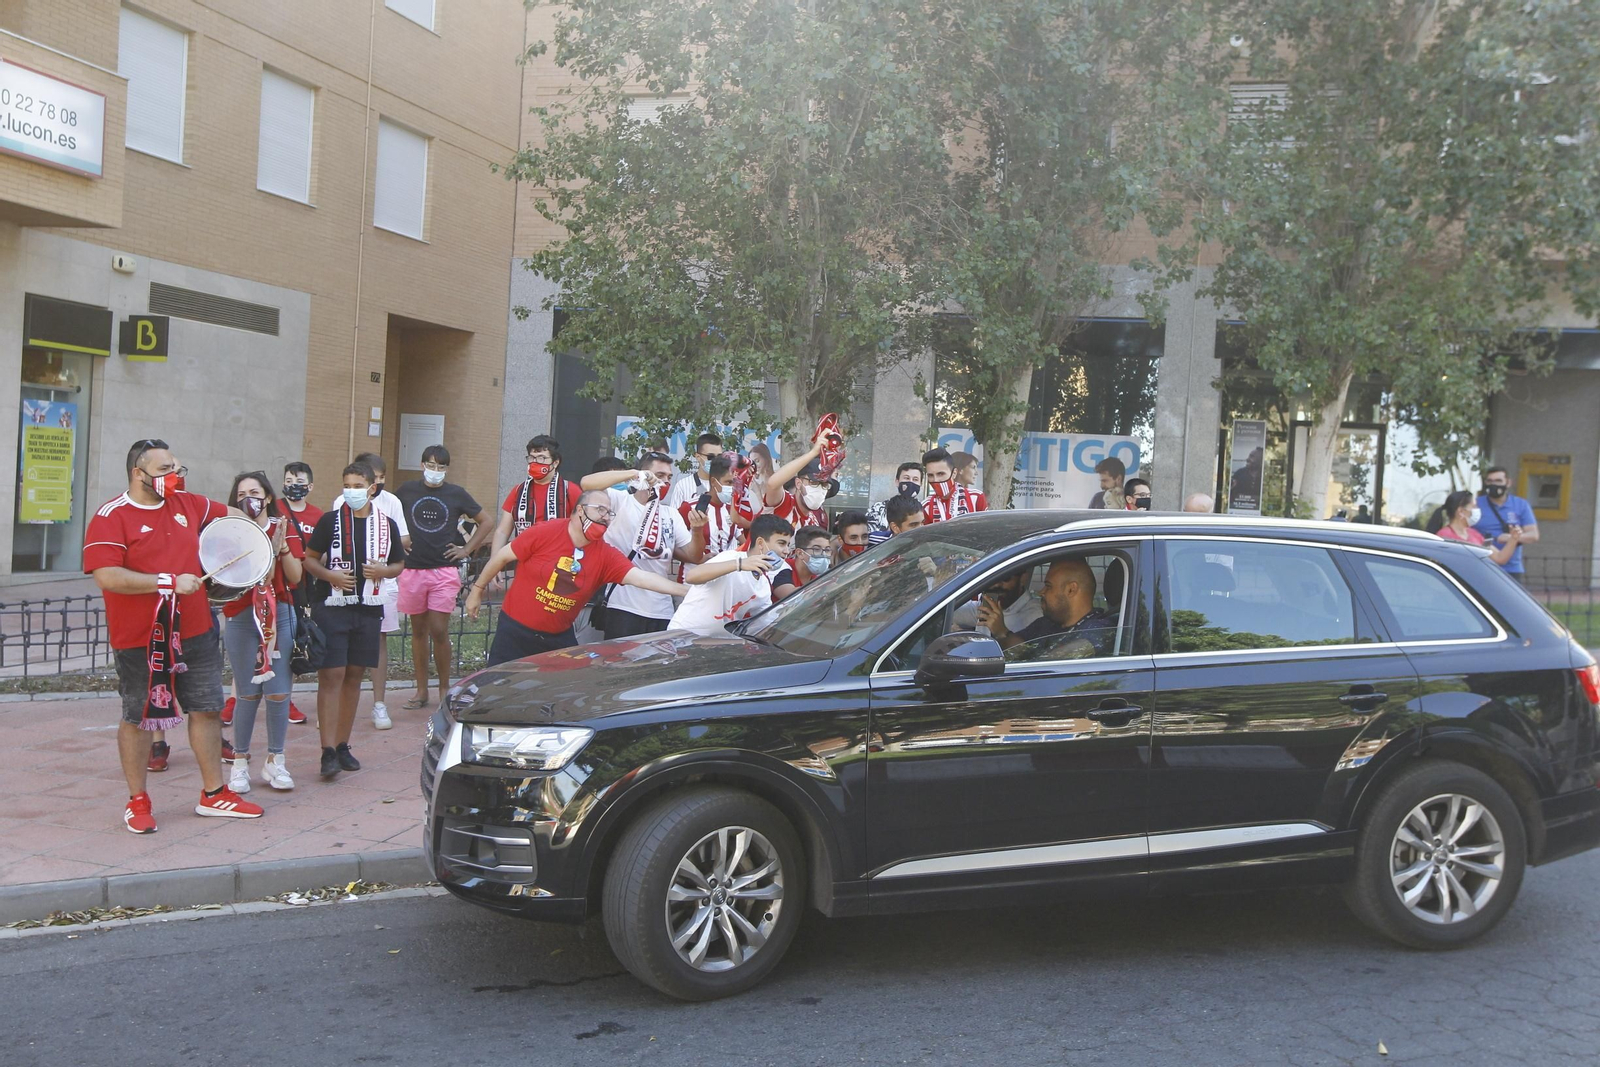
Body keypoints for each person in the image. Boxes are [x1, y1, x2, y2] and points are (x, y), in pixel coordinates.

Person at [84, 438, 264, 833]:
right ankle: (138, 801)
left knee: (207, 709)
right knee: (138, 717)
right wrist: (167, 582)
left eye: (177, 468)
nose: (175, 476)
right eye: (166, 470)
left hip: (195, 630)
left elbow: (234, 516)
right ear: (138, 473)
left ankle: (214, 793)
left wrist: (258, 529)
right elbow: (107, 575)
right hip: (141, 638)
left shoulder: (188, 503)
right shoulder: (111, 516)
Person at [465, 491, 689, 662]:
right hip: (514, 630)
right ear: (580, 510)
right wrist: (477, 591)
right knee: (497, 686)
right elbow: (502, 556)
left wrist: (686, 590)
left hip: (557, 638)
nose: (605, 517)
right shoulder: (545, 532)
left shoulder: (605, 555)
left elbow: (641, 578)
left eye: (609, 513)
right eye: (600, 510)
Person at [304, 462, 406, 778]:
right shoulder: (330, 521)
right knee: (331, 673)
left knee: (354, 674)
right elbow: (309, 559)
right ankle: (327, 750)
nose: (352, 491)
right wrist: (330, 575)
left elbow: (399, 563)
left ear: (372, 488)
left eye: (358, 486)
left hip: (368, 606)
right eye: (347, 485)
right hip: (333, 605)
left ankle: (342, 744)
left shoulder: (386, 524)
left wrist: (384, 571)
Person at [219, 472, 302, 794]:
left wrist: (281, 549)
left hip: (279, 616)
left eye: (254, 492)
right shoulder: (229, 531)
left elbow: (295, 576)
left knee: (279, 691)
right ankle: (240, 762)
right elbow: (227, 579)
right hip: (242, 617)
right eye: (241, 495)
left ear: (267, 497)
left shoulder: (282, 527)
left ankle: (275, 759)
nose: (248, 499)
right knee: (247, 692)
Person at [395, 445, 491, 712]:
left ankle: (444, 688)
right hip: (413, 569)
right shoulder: (406, 491)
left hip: (444, 570)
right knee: (417, 631)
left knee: (438, 628)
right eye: (431, 465)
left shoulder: (456, 493)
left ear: (447, 469)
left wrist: (466, 549)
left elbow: (486, 521)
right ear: (422, 465)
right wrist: (397, 543)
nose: (435, 471)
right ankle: (421, 689)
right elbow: (388, 516)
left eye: (441, 466)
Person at [579, 452, 701, 638]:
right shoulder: (620, 500)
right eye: (659, 475)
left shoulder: (670, 514)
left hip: (662, 610)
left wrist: (697, 530)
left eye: (669, 477)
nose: (665, 482)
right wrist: (633, 474)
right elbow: (586, 484)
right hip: (624, 606)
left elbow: (693, 555)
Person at [331, 453, 410, 728]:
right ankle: (335, 703)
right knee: (341, 644)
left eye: (379, 478)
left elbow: (403, 540)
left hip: (380, 584)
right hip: (347, 585)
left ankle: (379, 704)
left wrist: (381, 556)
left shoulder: (392, 503)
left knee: (378, 642)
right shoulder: (341, 502)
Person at [669, 515, 791, 634]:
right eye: (781, 543)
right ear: (760, 543)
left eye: (788, 545)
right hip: (683, 635)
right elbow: (691, 576)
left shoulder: (763, 585)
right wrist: (739, 564)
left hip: (713, 643)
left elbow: (765, 624)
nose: (787, 551)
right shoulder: (731, 557)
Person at [978, 557, 1115, 661]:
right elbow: (1020, 646)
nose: (1041, 592)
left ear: (1071, 590)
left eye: (1048, 586)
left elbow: (1053, 661)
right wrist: (1001, 631)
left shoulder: (1099, 629)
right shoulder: (1046, 623)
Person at [492, 435, 581, 564]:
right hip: (526, 562)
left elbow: (582, 528)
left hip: (559, 563)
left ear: (555, 462)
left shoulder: (570, 490)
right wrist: (495, 562)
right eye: (531, 458)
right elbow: (502, 531)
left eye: (541, 458)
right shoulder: (518, 491)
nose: (535, 462)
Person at [276, 461, 318, 726]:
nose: (293, 486)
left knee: (290, 645)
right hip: (271, 585)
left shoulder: (317, 516)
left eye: (299, 482)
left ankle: (286, 699)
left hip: (299, 589)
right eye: (289, 481)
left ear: (310, 486)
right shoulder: (274, 509)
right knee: (255, 644)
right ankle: (235, 700)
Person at [1475, 467, 1539, 583]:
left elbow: (1533, 535)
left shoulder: (1521, 505)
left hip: (1512, 568)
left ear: (1508, 483)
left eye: (1498, 481)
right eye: (1490, 481)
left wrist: (1511, 538)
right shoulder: (1476, 504)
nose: (1494, 485)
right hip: (1482, 565)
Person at [678, 454, 744, 563]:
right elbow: (671, 546)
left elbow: (746, 542)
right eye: (728, 482)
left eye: (735, 483)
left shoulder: (732, 510)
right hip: (692, 573)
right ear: (713, 482)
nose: (732, 488)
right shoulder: (689, 507)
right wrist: (698, 560)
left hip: (724, 572)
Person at [1430, 489, 1521, 566]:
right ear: (1461, 511)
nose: (1477, 510)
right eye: (1474, 506)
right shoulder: (1444, 536)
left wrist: (1513, 539)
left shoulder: (1475, 534)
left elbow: (1499, 558)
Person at [761, 438, 832, 531]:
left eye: (824, 485)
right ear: (798, 483)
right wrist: (813, 453)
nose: (819, 489)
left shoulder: (813, 522)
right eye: (814, 482)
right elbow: (772, 484)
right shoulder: (785, 503)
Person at [952, 567, 1044, 637]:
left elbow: (1027, 652)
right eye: (991, 578)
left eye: (1005, 578)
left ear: (1023, 578)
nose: (996, 584)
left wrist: (1002, 633)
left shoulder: (1036, 614)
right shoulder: (987, 607)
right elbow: (950, 611)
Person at [922, 447, 986, 524]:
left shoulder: (976, 497)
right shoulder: (926, 505)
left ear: (954, 473)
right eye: (930, 475)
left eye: (940, 474)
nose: (935, 480)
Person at [771, 527, 835, 601]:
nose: (823, 555)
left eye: (827, 550)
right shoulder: (782, 568)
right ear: (800, 553)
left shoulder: (817, 576)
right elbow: (791, 596)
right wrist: (825, 587)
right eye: (816, 549)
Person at [666, 432, 725, 511]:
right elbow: (673, 516)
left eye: (719, 457)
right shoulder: (683, 486)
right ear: (698, 456)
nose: (715, 461)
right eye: (710, 457)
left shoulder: (727, 486)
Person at [867, 462, 922, 531]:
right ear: (897, 482)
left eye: (915, 479)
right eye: (906, 478)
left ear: (921, 484)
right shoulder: (878, 509)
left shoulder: (925, 509)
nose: (910, 482)